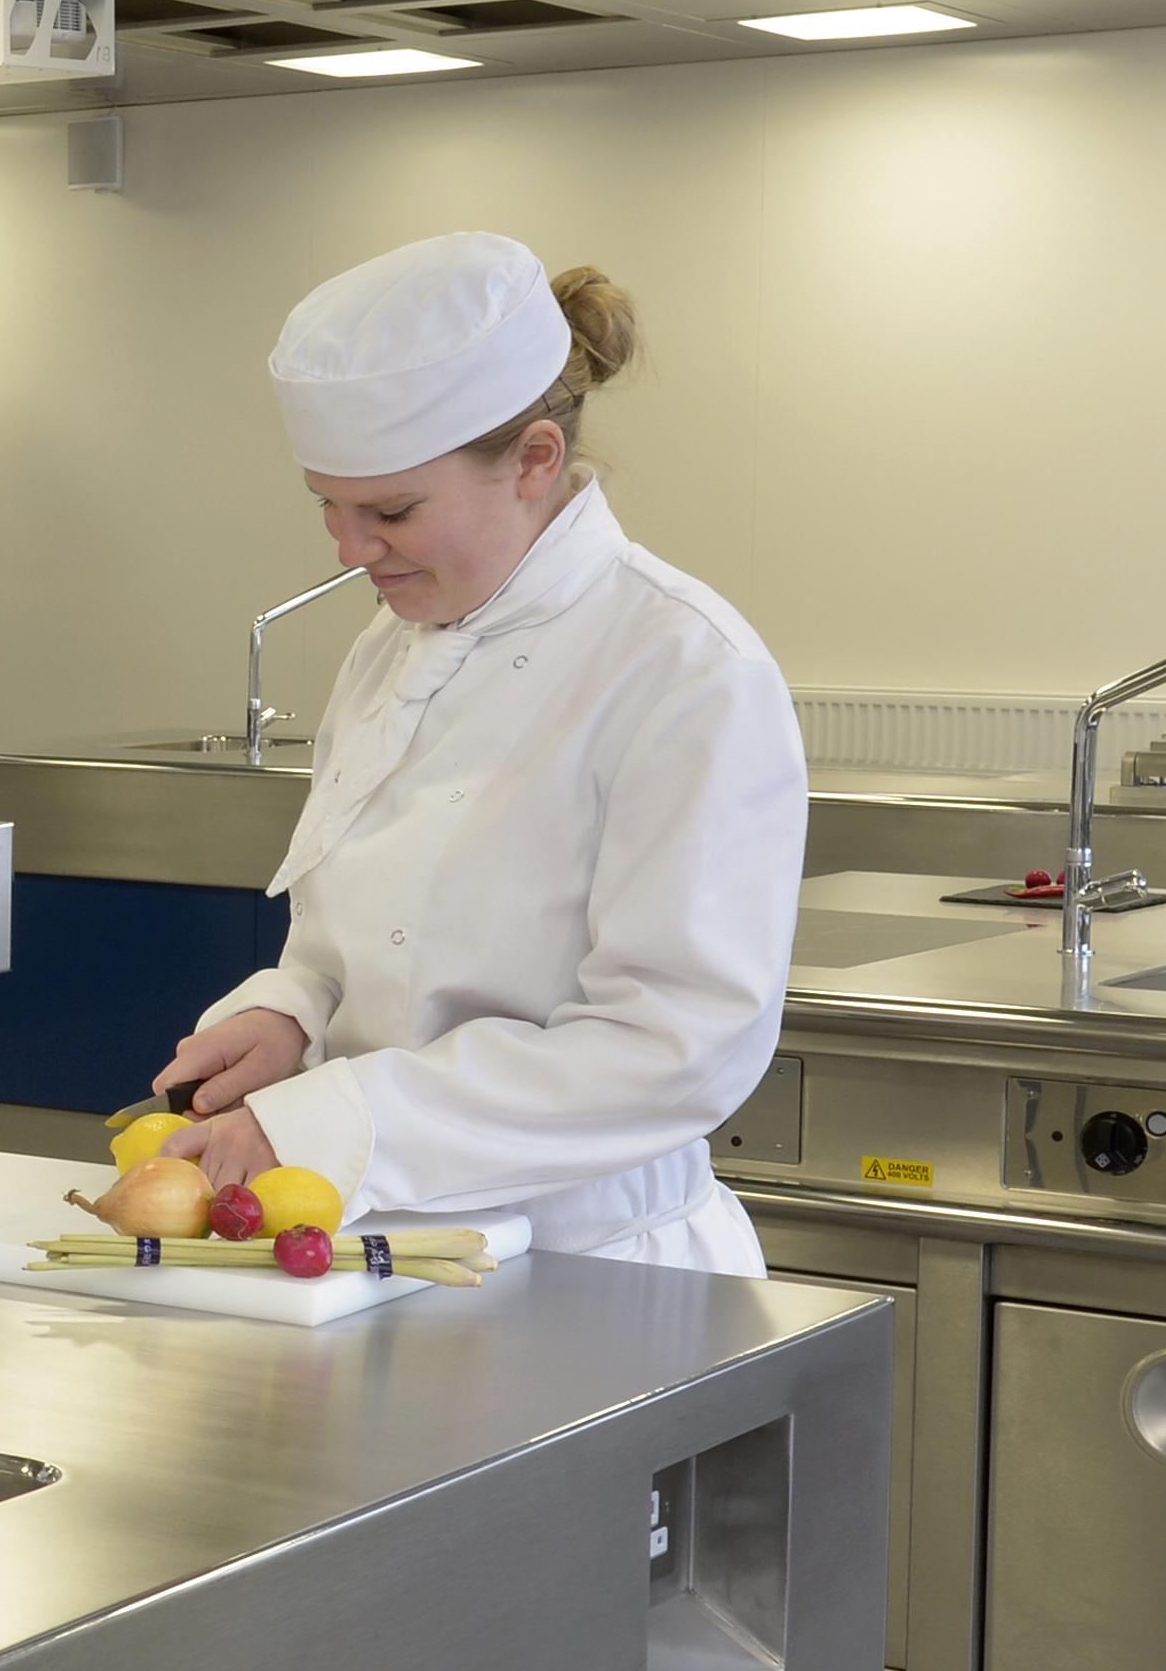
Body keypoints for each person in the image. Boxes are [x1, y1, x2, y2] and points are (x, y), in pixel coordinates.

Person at [146, 238, 803, 1273]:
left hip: (598, 1274)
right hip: (381, 1252)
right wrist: (290, 1011)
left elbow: (672, 1051)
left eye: (391, 511)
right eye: (327, 504)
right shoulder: (390, 648)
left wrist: (339, 1118)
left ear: (535, 461)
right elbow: (350, 939)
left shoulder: (683, 667)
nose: (349, 549)